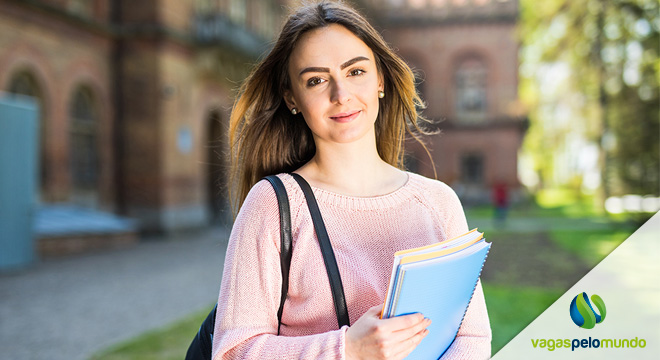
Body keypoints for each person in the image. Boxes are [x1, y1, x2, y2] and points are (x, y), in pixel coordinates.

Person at [212, 1, 491, 359]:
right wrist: (348, 349)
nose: (341, 95)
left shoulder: (438, 202)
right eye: (316, 80)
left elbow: (473, 337)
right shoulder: (273, 205)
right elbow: (233, 351)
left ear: (380, 80)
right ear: (292, 99)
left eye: (355, 72)